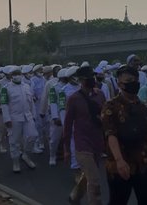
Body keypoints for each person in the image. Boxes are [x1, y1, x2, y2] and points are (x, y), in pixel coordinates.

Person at [101, 66, 147, 205]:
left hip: (143, 163)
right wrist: (119, 160)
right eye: (129, 80)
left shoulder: (144, 106)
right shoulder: (110, 106)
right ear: (120, 84)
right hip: (120, 164)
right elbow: (110, 134)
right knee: (118, 200)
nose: (134, 83)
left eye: (136, 80)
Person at [64, 66, 106, 205]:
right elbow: (68, 124)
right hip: (82, 144)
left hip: (97, 142)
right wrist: (66, 149)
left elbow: (105, 115)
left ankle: (75, 196)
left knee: (88, 176)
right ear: (81, 80)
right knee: (95, 180)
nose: (92, 80)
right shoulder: (73, 99)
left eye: (92, 77)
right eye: (88, 78)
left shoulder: (100, 95)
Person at [0, 66, 38, 173]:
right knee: (14, 141)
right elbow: (4, 105)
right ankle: (15, 162)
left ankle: (25, 155)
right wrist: (7, 119)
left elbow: (31, 102)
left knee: (33, 135)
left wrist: (33, 115)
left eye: (18, 73)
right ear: (11, 76)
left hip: (27, 116)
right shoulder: (6, 88)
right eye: (14, 74)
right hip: (14, 117)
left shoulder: (26, 86)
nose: (17, 76)